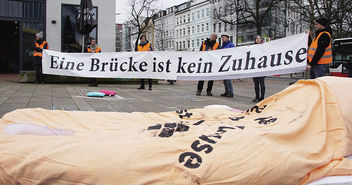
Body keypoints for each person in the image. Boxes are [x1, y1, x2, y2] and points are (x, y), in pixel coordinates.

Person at [219, 33, 235, 98]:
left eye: (224, 37)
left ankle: (231, 92)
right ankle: (227, 91)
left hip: (228, 63)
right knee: (225, 80)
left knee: (228, 79)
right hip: (224, 63)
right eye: (222, 37)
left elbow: (234, 52)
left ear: (228, 38)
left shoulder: (230, 44)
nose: (223, 39)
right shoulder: (223, 45)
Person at [252, 35, 266, 103]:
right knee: (256, 84)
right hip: (254, 68)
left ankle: (262, 97)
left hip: (262, 68)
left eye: (259, 38)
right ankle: (257, 96)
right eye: (256, 38)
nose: (258, 39)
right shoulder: (253, 47)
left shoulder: (264, 46)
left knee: (261, 83)